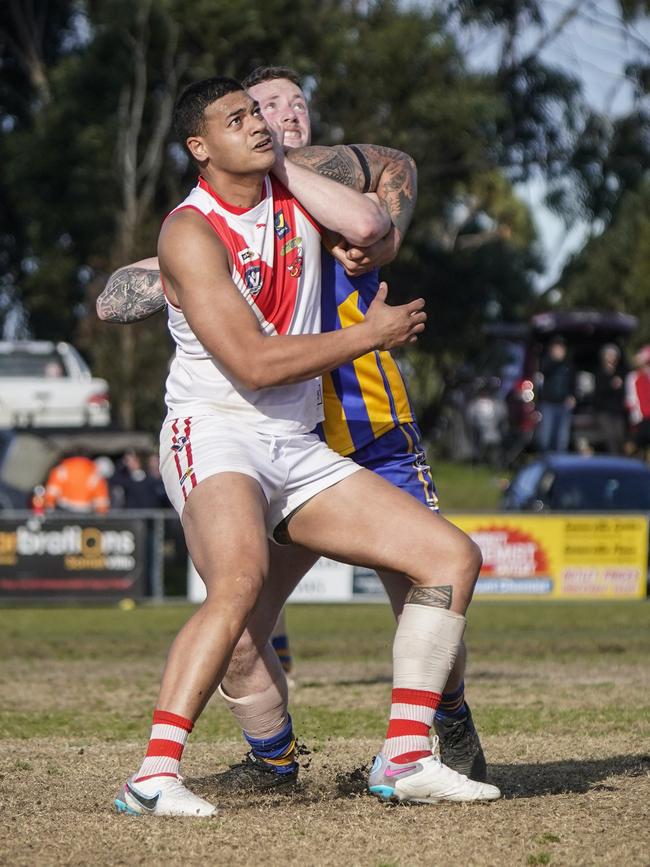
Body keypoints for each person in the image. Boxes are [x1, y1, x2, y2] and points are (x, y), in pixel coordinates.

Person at [110, 76, 499, 816]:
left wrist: (287, 168)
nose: (260, 124)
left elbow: (370, 224)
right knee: (239, 582)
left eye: (261, 113)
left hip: (294, 439)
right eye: (239, 117)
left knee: (450, 557)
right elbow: (253, 363)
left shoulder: (291, 190)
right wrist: (369, 334)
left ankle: (406, 755)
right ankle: (154, 774)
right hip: (216, 428)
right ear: (200, 147)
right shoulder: (188, 231)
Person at [536, 336, 576, 453]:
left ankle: (560, 465)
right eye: (557, 348)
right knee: (546, 438)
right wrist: (555, 360)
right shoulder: (546, 362)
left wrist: (572, 396)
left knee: (562, 440)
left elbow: (573, 382)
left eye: (562, 348)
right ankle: (545, 463)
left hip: (563, 405)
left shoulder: (568, 365)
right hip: (548, 404)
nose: (560, 350)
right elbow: (543, 371)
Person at [43, 452, 110, 514]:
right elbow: (101, 502)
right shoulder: (95, 472)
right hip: (85, 513)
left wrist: (50, 511)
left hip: (64, 510)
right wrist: (101, 519)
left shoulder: (62, 469)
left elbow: (51, 494)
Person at [593, 344, 627, 454]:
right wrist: (611, 385)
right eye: (608, 355)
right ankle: (614, 460)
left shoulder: (622, 372)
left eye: (613, 355)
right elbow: (599, 391)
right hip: (604, 410)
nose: (611, 358)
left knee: (620, 436)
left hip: (617, 410)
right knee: (610, 436)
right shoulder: (599, 373)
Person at [625, 345, 650, 458]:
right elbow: (631, 398)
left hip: (647, 416)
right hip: (640, 417)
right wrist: (635, 415)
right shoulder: (633, 377)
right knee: (637, 445)